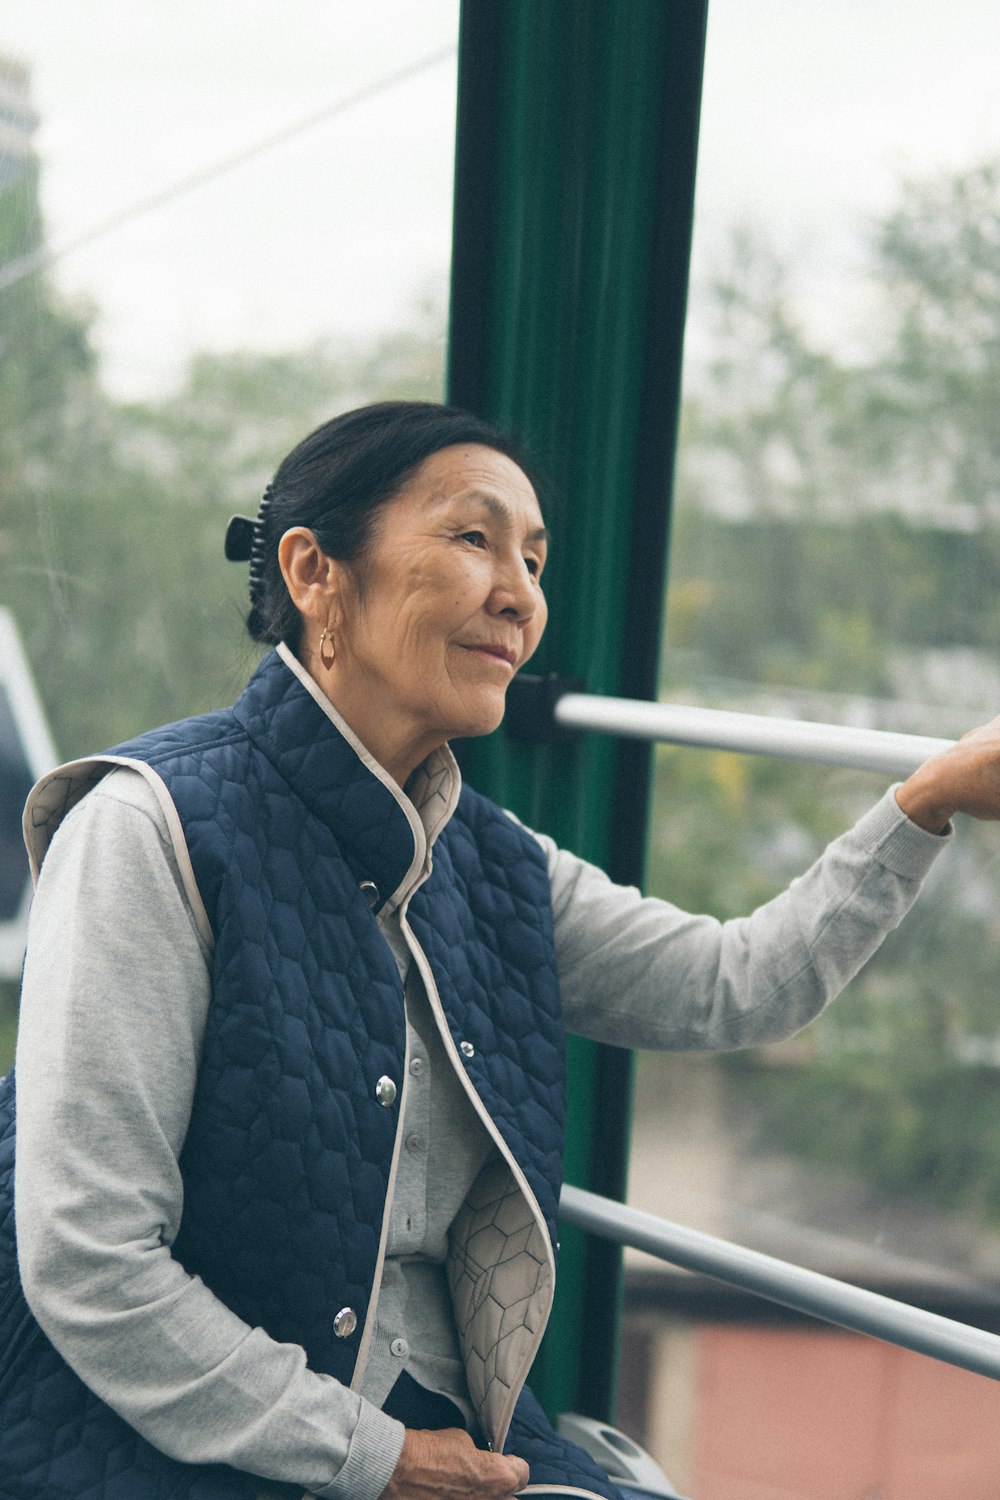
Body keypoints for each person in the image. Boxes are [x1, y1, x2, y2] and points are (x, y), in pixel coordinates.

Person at [1, 400, 998, 1500]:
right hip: (194, 1444)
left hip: (456, 1432)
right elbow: (91, 1262)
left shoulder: (494, 864)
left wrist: (924, 804)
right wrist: (369, 1459)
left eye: (534, 559)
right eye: (473, 539)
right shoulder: (146, 830)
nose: (520, 594)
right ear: (314, 571)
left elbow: (733, 988)